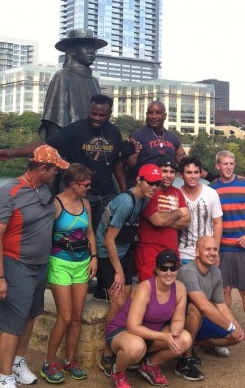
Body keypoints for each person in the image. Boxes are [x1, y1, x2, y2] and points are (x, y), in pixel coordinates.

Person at [0, 94, 135, 246]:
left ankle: (98, 267)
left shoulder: (114, 132)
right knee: (76, 238)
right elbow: (45, 145)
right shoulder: (75, 130)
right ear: (88, 110)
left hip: (105, 194)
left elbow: (117, 164)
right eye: (93, 113)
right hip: (79, 192)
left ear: (109, 114)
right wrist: (12, 153)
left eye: (102, 115)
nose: (96, 118)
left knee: (103, 239)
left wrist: (124, 193)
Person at [0, 145, 70, 388]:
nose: (57, 173)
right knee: (13, 321)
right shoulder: (9, 192)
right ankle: (3, 378)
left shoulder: (43, 189)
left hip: (39, 265)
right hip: (16, 264)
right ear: (43, 168)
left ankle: (18, 362)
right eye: (55, 169)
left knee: (30, 317)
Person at [97, 164, 162, 376]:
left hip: (123, 251)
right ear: (139, 181)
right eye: (150, 182)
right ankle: (107, 353)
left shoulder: (144, 199)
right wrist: (118, 271)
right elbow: (108, 239)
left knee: (126, 301)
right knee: (117, 302)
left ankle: (122, 343)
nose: (154, 186)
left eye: (157, 183)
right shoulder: (126, 202)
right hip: (107, 253)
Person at [40, 163, 98, 384]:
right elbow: (44, 234)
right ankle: (48, 362)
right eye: (85, 185)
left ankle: (69, 360)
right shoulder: (55, 204)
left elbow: (90, 232)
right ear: (73, 184)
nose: (88, 188)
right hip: (60, 262)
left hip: (82, 262)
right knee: (64, 317)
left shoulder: (85, 203)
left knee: (76, 316)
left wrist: (94, 258)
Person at [105, 249, 192, 388]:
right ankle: (118, 371)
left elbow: (178, 320)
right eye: (164, 268)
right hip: (123, 331)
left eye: (173, 268)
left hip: (151, 334)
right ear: (157, 270)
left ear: (178, 268)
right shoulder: (145, 288)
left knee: (185, 339)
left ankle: (150, 364)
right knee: (136, 347)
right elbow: (133, 326)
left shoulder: (180, 288)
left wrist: (174, 333)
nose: (169, 273)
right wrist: (164, 338)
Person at [210, 150, 245, 357]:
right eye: (225, 164)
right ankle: (228, 332)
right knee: (224, 293)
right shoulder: (212, 189)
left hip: (243, 247)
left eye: (232, 163)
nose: (229, 167)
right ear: (217, 166)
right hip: (223, 248)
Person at [175, 236, 245, 381]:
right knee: (196, 308)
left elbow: (221, 305)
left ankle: (191, 343)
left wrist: (236, 327)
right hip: (179, 322)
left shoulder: (215, 272)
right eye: (207, 249)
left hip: (199, 321)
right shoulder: (187, 272)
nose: (212, 253)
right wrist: (231, 326)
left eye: (215, 249)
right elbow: (204, 306)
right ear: (197, 252)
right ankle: (184, 362)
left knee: (233, 338)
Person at [40, 28, 106, 139]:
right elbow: (54, 121)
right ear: (73, 50)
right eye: (86, 47)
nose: (92, 52)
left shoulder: (94, 80)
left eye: (93, 48)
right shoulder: (62, 77)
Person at [136, 157, 191, 282]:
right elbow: (158, 221)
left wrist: (164, 219)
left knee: (169, 291)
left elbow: (187, 220)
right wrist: (177, 212)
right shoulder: (150, 192)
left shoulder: (177, 192)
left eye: (172, 172)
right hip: (150, 251)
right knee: (149, 289)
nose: (169, 175)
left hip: (172, 250)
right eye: (164, 171)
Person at [125, 100, 187, 185]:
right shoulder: (137, 136)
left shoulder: (173, 138)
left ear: (165, 116)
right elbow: (130, 163)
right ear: (146, 115)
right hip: (142, 191)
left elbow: (187, 163)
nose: (153, 116)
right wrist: (126, 152)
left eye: (158, 113)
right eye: (150, 113)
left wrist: (208, 176)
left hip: (164, 191)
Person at [177, 156, 222, 264]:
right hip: (182, 253)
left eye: (196, 172)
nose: (193, 176)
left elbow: (217, 223)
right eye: (189, 172)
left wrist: (215, 251)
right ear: (181, 175)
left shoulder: (211, 193)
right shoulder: (176, 194)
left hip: (206, 254)